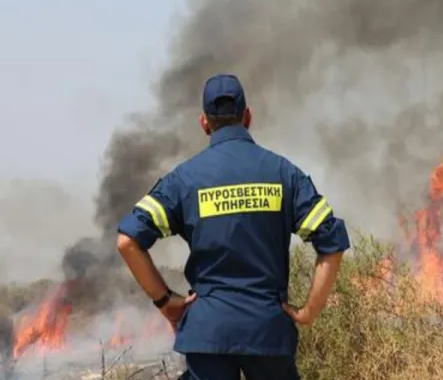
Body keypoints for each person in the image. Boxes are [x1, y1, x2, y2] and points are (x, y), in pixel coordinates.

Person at [116, 73, 350, 380]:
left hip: (207, 331)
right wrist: (309, 310)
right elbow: (331, 243)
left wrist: (165, 301)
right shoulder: (284, 173)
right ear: (248, 116)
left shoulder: (184, 179)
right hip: (267, 330)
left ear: (204, 123)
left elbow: (127, 241)